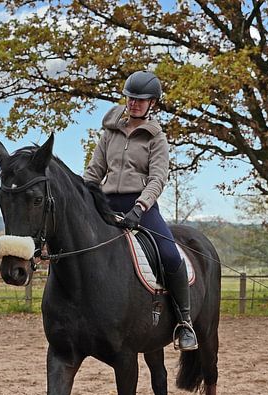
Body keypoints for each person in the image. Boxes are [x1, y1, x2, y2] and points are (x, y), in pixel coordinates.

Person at [82, 70, 198, 351]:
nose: (133, 104)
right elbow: (94, 171)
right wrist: (83, 197)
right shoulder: (109, 132)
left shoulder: (156, 138)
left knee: (171, 256)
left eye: (140, 100)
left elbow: (158, 178)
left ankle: (184, 322)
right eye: (130, 98)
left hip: (141, 207)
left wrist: (141, 206)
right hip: (106, 203)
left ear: (152, 104)